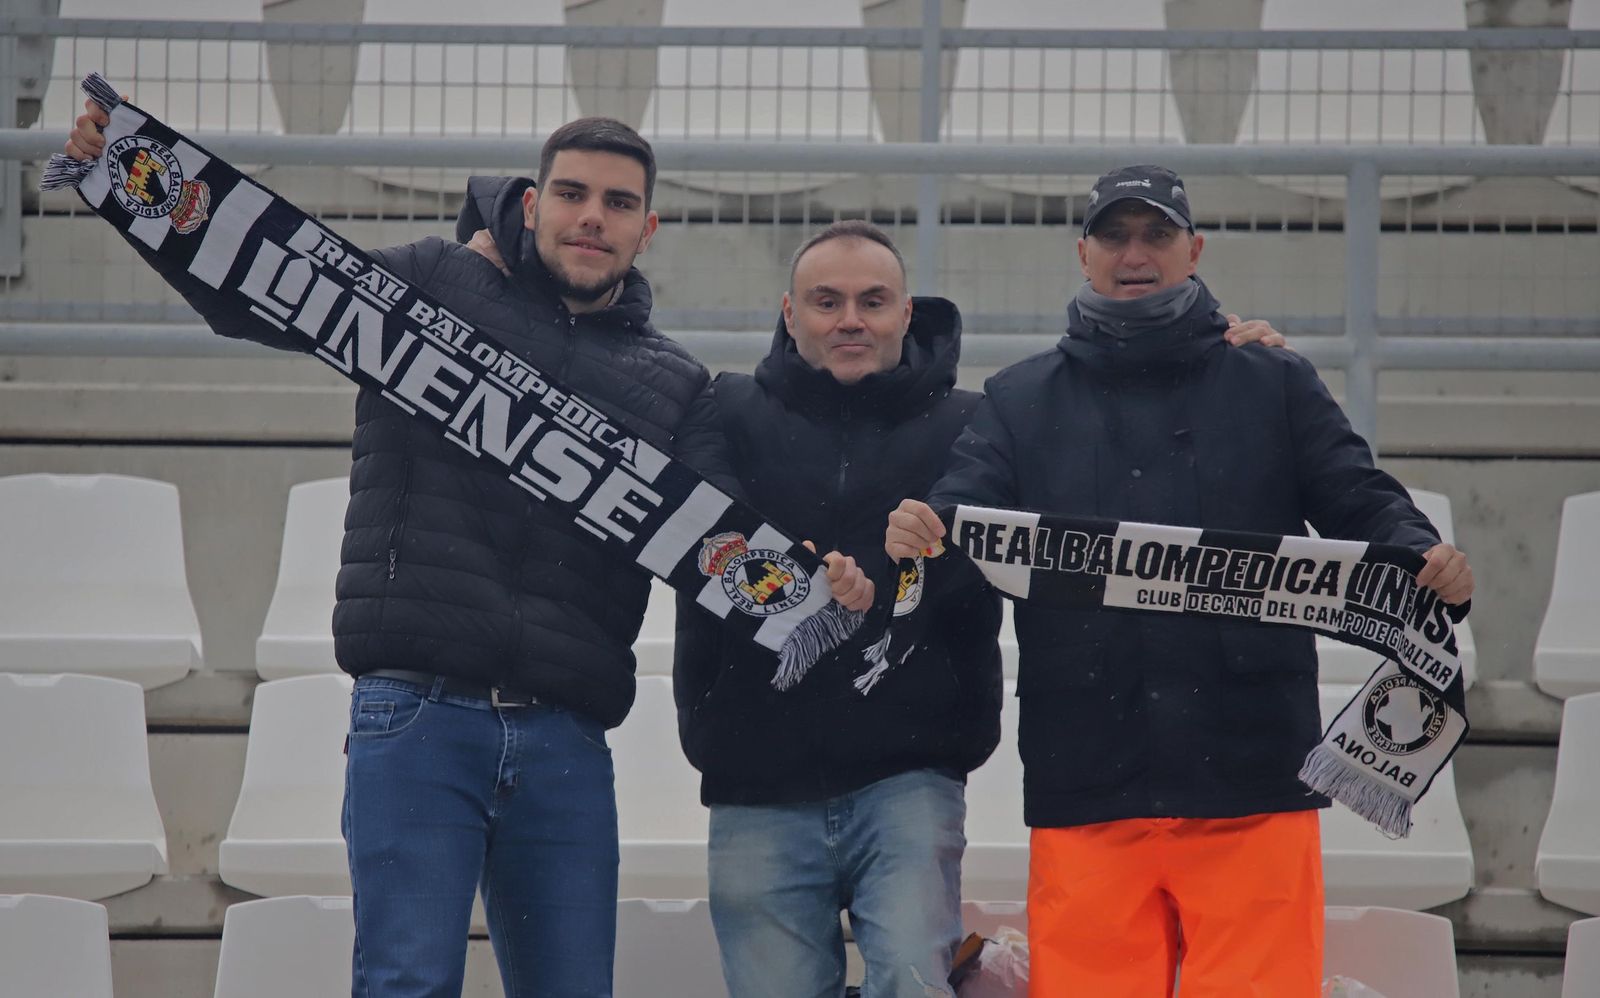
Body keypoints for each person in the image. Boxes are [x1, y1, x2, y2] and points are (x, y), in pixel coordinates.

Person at [63, 107, 869, 998]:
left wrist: (817, 582)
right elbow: (265, 290)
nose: (591, 216)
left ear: (649, 227)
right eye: (571, 194)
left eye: (616, 201)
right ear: (531, 205)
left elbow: (719, 531)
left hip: (565, 738)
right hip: (416, 718)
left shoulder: (676, 383)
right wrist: (122, 180)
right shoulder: (437, 283)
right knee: (409, 983)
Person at [885, 165, 1474, 998]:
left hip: (1252, 774)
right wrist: (920, 536)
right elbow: (957, 524)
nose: (1136, 253)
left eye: (1156, 234)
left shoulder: (1275, 381)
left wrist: (1421, 554)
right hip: (1085, 774)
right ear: (1082, 253)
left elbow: (1358, 497)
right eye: (1115, 236)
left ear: (1193, 250)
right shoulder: (1019, 399)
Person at [670, 220, 1290, 998]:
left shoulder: (980, 419)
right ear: (789, 314)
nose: (850, 319)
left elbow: (1098, 482)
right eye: (826, 302)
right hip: (752, 781)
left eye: (873, 300)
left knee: (912, 983)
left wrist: (1218, 363)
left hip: (908, 777)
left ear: (907, 312)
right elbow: (678, 524)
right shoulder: (719, 407)